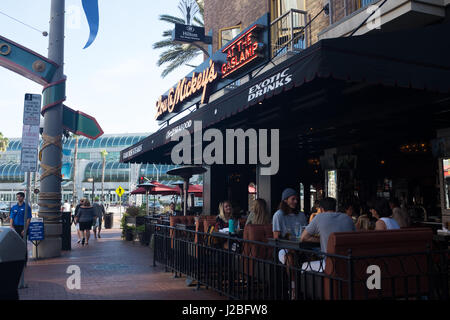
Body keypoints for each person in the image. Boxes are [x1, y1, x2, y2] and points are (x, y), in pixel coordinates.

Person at [301, 197, 355, 271]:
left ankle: (293, 282)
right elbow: (353, 237)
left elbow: (303, 237)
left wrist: (322, 239)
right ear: (335, 208)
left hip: (330, 262)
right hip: (347, 261)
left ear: (322, 209)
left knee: (304, 266)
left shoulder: (319, 217)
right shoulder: (348, 218)